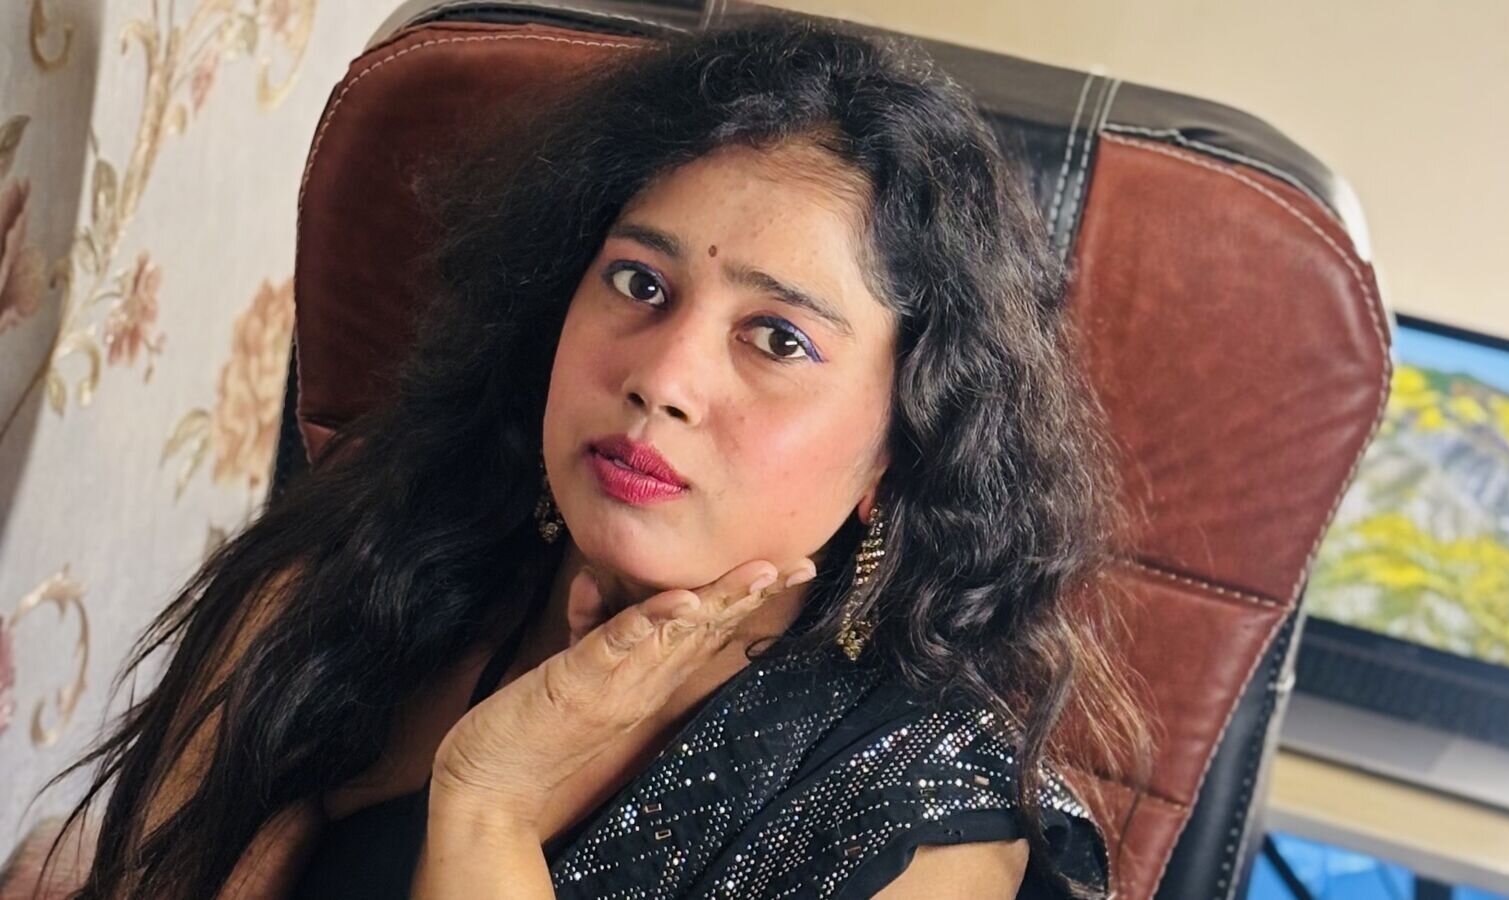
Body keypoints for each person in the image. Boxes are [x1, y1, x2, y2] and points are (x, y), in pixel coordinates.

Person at [36, 13, 1152, 900]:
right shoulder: (352, 575)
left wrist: (487, 809)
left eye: (777, 339)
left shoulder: (924, 836)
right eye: (639, 282)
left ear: (896, 455)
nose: (663, 376)